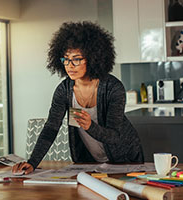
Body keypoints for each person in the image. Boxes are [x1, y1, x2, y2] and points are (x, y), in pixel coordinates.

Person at [12, 21, 144, 175]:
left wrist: (90, 127)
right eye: (66, 59)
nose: (70, 65)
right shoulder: (64, 90)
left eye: (76, 59)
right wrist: (32, 162)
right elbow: (51, 128)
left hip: (125, 160)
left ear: (93, 58)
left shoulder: (113, 88)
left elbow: (114, 136)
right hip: (90, 162)